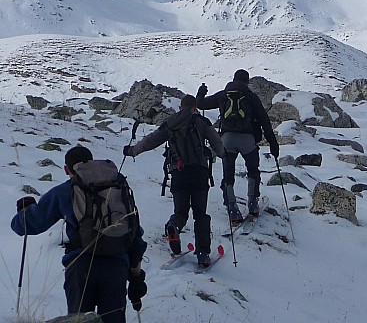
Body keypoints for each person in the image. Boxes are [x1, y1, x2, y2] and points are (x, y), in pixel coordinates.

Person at [10, 145, 147, 323]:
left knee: (79, 320)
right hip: (116, 266)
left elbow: (30, 225)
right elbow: (134, 233)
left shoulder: (66, 191)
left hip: (80, 267)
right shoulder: (117, 187)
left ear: (67, 169)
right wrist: (136, 277)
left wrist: (24, 212)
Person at [123, 94, 225, 267]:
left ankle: (173, 226)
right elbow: (218, 146)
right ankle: (203, 254)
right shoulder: (201, 121)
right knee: (201, 214)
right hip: (200, 173)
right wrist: (224, 155)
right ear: (194, 108)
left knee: (181, 211)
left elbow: (151, 140)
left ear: (180, 108)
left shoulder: (171, 123)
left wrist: (133, 151)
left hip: (178, 172)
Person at [196, 69, 279, 223]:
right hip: (248, 139)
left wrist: (201, 92)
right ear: (247, 81)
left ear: (233, 79)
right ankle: (253, 203)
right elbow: (264, 121)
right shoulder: (251, 96)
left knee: (228, 174)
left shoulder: (223, 95)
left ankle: (232, 208)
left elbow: (200, 104)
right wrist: (273, 145)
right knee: (253, 170)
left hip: (227, 139)